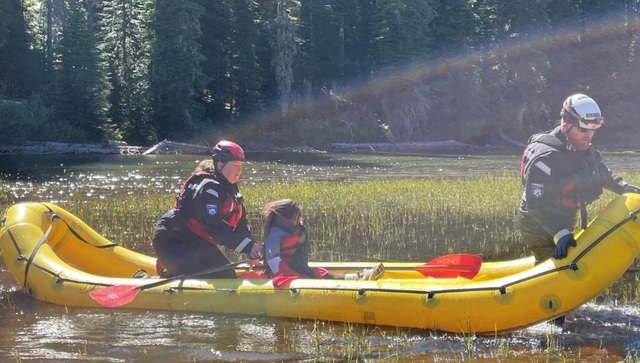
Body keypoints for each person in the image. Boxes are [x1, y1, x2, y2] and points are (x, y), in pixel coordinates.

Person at [518, 93, 640, 263]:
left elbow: (602, 172)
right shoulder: (545, 158)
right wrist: (560, 233)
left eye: (592, 130)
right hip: (538, 223)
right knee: (557, 267)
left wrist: (625, 188)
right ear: (566, 124)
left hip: (564, 216)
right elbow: (535, 205)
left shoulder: (581, 145)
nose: (588, 135)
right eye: (583, 130)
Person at [151, 140, 263, 278]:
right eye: (235, 165)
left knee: (226, 276)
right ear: (220, 165)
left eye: (241, 166)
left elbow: (240, 223)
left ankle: (172, 268)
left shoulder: (230, 187)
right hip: (173, 239)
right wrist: (248, 246)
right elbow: (215, 229)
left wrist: (252, 252)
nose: (239, 171)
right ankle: (153, 275)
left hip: (197, 240)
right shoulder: (208, 189)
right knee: (198, 279)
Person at [260, 198, 384, 286]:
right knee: (321, 275)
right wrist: (292, 277)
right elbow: (273, 261)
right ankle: (360, 278)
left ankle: (359, 278)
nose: (298, 221)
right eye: (296, 218)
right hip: (282, 276)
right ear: (285, 218)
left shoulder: (290, 230)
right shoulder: (275, 234)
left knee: (325, 274)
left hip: (299, 270)